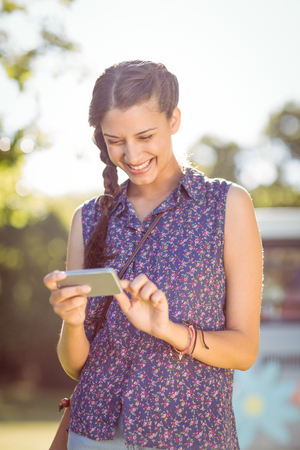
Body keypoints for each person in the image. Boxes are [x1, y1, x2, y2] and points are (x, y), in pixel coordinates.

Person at [44, 60, 263, 450]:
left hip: (191, 436)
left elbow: (244, 350)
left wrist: (167, 330)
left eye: (146, 136)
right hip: (93, 435)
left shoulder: (226, 205)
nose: (132, 154)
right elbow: (76, 365)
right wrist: (73, 321)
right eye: (115, 140)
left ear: (174, 120)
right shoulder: (88, 218)